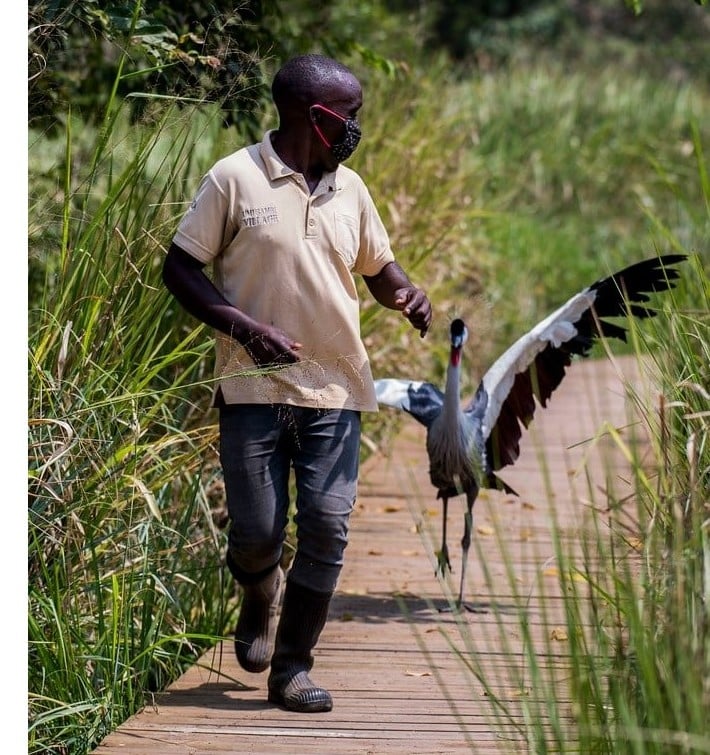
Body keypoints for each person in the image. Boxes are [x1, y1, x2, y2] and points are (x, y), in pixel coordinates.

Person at [162, 53, 432, 713]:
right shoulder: (234, 178)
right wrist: (246, 329)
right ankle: (259, 591)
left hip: (336, 391)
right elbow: (181, 269)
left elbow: (377, 267)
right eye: (352, 114)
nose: (356, 127)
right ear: (317, 116)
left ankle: (292, 669)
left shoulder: (353, 189)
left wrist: (406, 294)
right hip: (252, 389)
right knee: (256, 532)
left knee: (327, 527)